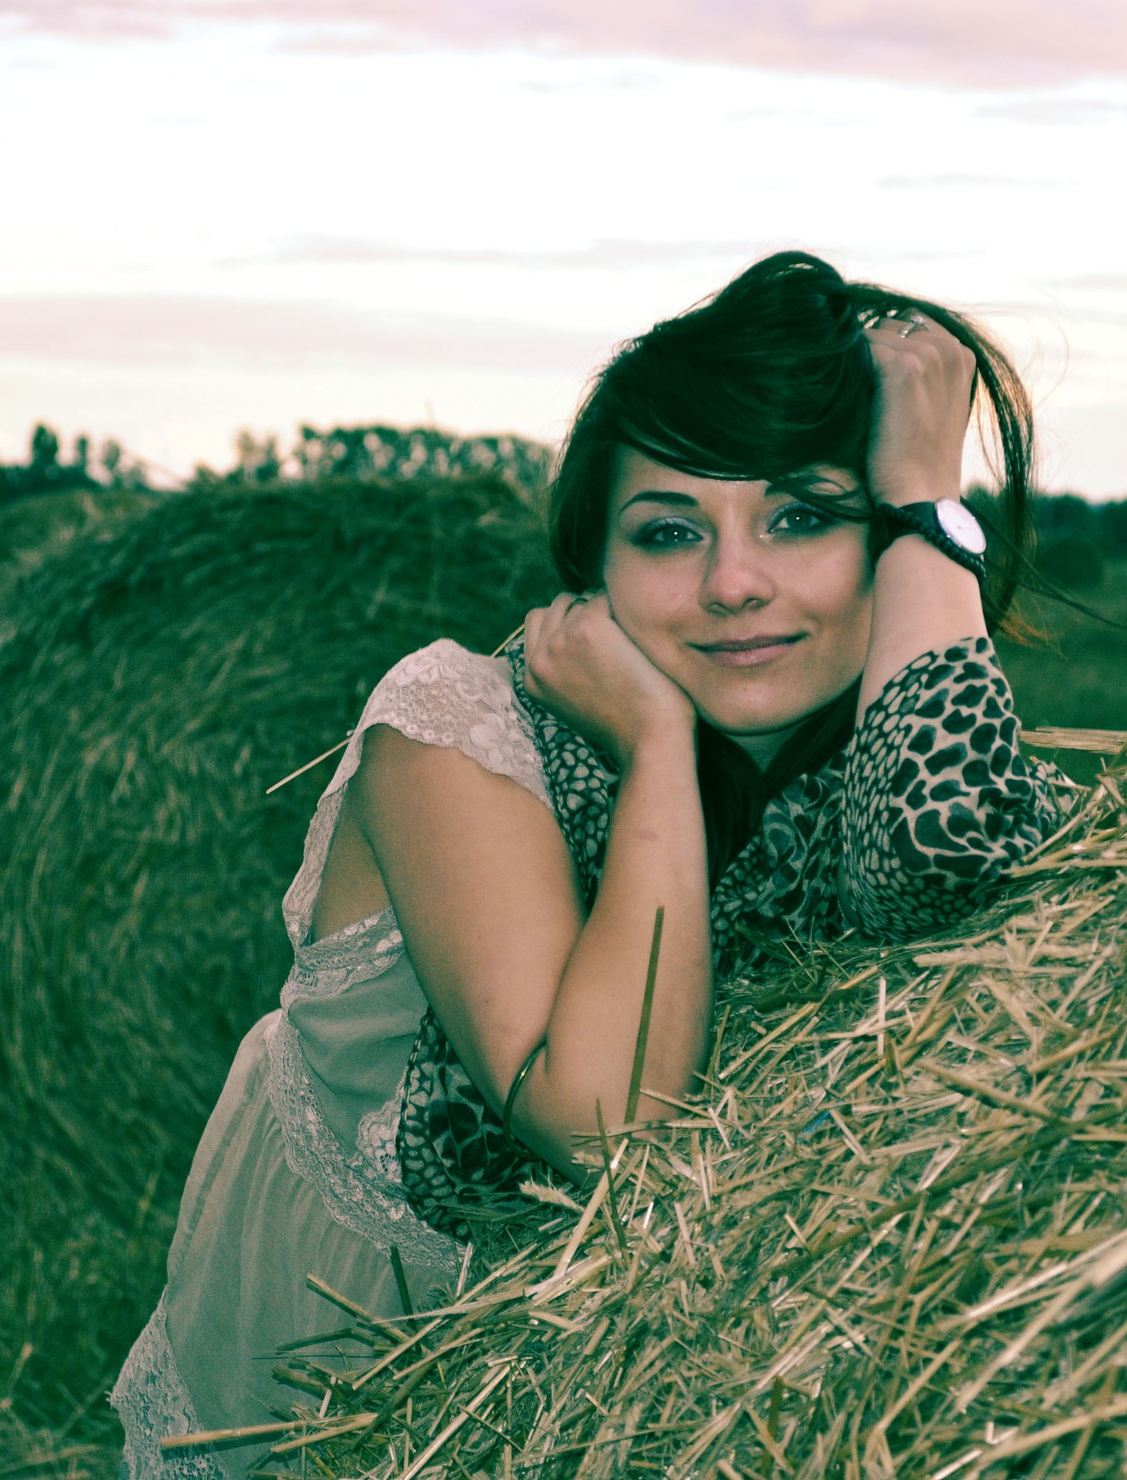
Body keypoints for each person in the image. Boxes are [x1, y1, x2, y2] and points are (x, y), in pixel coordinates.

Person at [110, 250, 1077, 1478]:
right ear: (595, 568)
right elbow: (611, 1125)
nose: (733, 583)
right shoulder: (453, 729)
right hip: (350, 1366)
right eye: (668, 531)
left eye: (803, 516)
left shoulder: (878, 763)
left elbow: (949, 860)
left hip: (674, 1384)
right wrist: (657, 746)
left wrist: (928, 509)